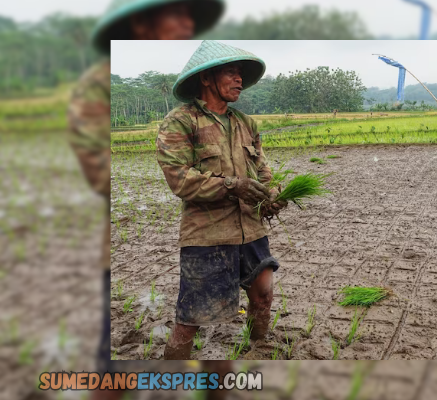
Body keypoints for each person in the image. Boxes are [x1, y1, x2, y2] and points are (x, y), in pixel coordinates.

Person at [67, 1, 230, 399]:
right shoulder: (96, 87)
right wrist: (218, 185)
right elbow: (97, 174)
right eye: (177, 14)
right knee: (113, 366)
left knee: (213, 325)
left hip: (222, 229)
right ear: (140, 22)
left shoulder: (222, 115)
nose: (187, 24)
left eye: (191, 16)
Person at [157, 40, 288, 360]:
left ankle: (259, 348)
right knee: (192, 316)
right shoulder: (182, 121)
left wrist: (272, 196)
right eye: (231, 72)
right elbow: (180, 180)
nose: (239, 79)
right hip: (207, 236)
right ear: (206, 78)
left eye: (241, 73)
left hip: (252, 231)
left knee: (263, 297)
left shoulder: (246, 124)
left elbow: (262, 170)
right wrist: (233, 186)